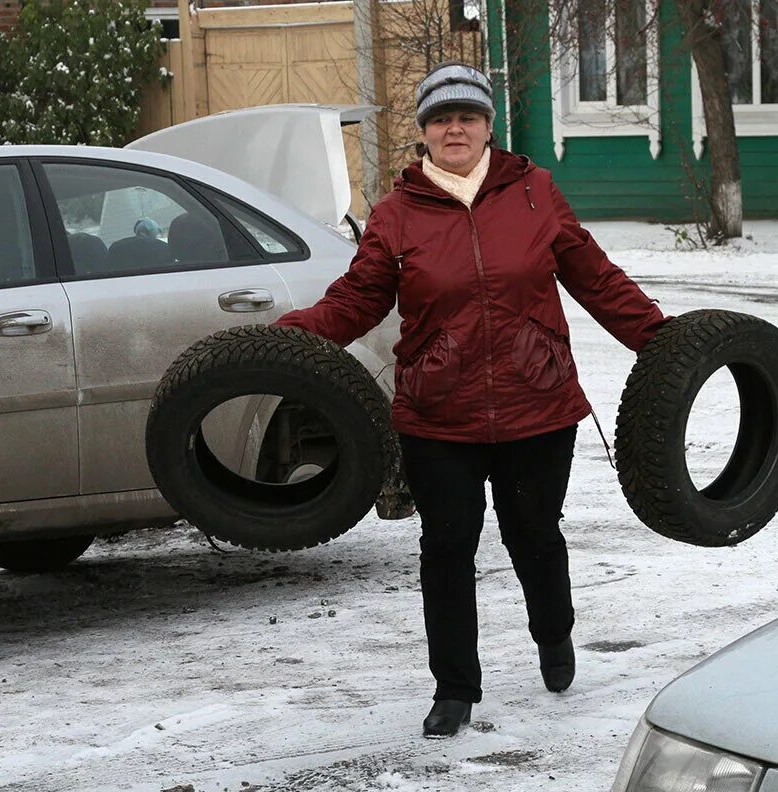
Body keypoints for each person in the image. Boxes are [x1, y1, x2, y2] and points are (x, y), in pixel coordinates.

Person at [275, 62, 668, 737]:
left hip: (537, 406)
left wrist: (665, 343)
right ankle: (455, 687)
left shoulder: (535, 192)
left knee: (534, 537)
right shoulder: (396, 214)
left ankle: (553, 634)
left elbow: (594, 277)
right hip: (439, 416)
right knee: (447, 547)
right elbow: (359, 298)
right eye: (439, 117)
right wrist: (287, 339)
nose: (454, 127)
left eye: (467, 115)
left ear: (488, 126)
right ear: (423, 131)